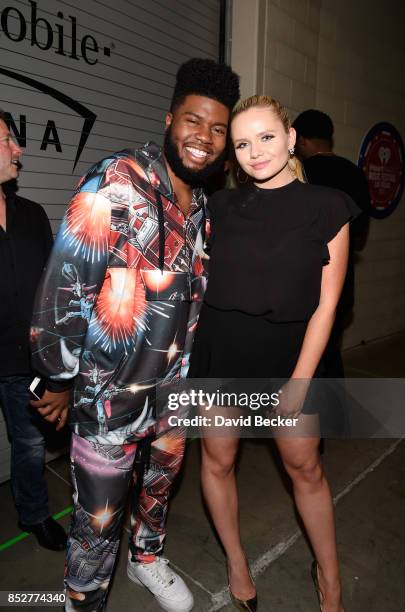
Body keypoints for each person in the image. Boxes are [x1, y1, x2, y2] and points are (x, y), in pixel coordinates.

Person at [30, 59, 240, 612]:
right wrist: (55, 375)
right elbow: (65, 285)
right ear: (170, 119)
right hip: (110, 399)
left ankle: (147, 559)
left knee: (158, 494)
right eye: (195, 121)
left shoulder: (203, 208)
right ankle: (85, 602)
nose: (205, 138)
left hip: (173, 395)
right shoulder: (116, 180)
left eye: (218, 129)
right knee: (96, 528)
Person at [189, 96, 360, 611]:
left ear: (290, 140)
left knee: (304, 467)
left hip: (291, 360)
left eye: (266, 137)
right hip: (222, 354)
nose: (254, 151)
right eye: (241, 143)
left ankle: (329, 578)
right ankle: (237, 562)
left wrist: (301, 381)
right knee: (218, 459)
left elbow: (327, 306)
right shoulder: (217, 207)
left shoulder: (328, 206)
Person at [0, 109, 67, 550]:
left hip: (25, 360)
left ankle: (34, 514)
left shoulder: (31, 213)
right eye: (6, 140)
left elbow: (55, 289)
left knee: (27, 444)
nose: (17, 149)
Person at [292, 109, 370, 377]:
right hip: (342, 283)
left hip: (303, 285)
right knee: (330, 357)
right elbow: (359, 237)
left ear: (300, 139)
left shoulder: (298, 173)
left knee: (302, 361)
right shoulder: (355, 173)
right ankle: (335, 417)